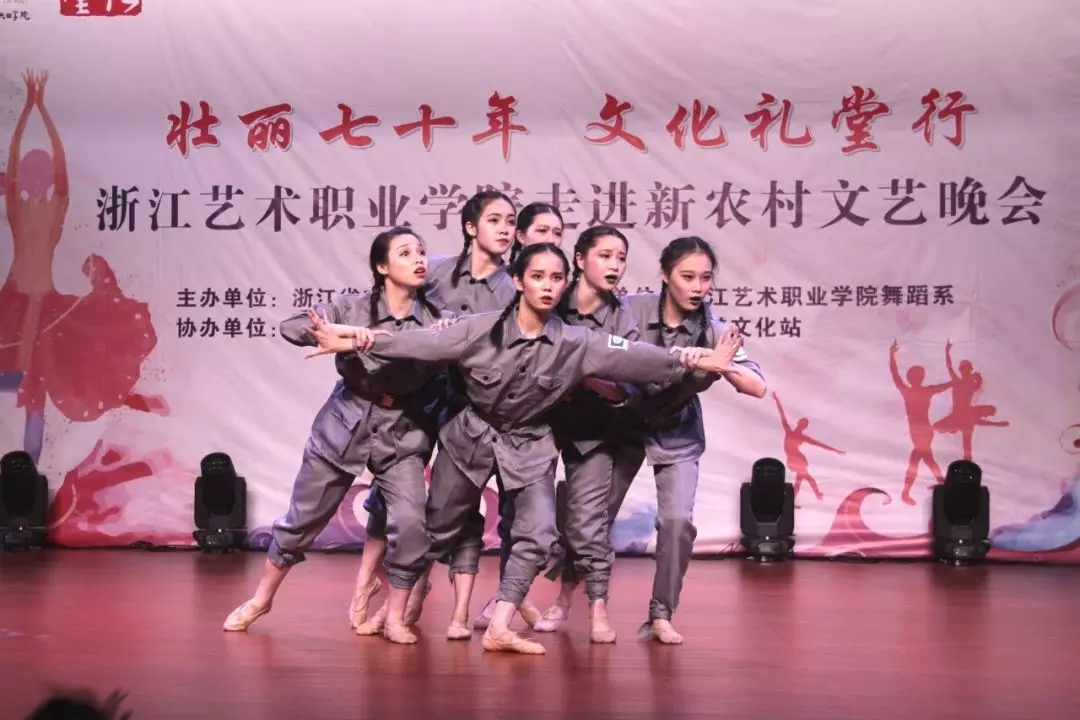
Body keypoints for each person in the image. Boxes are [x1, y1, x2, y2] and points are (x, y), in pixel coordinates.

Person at [307, 242, 744, 654]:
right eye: (537, 277)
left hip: (529, 445)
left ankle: (500, 626)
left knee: (538, 532)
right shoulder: (479, 330)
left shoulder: (578, 342)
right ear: (518, 281)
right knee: (436, 530)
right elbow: (418, 342)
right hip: (470, 439)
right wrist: (356, 339)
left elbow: (637, 355)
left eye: (556, 278)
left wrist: (696, 358)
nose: (548, 286)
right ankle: (394, 609)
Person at [536, 236, 767, 645]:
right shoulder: (630, 311)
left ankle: (661, 614)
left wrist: (722, 364)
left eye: (705, 279)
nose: (697, 287)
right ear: (664, 274)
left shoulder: (713, 329)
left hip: (676, 431)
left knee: (677, 522)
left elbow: (758, 387)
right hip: (622, 425)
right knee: (591, 518)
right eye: (688, 277)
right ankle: (565, 597)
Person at [222, 228, 449, 645]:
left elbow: (445, 347)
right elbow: (292, 327)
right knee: (303, 519)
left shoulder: (434, 318)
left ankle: (395, 617)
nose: (418, 259)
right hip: (345, 423)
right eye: (405, 253)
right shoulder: (353, 306)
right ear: (382, 267)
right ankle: (262, 599)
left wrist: (372, 341)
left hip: (402, 429)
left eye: (421, 251)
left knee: (411, 524)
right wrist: (342, 332)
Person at [353, 190, 521, 636]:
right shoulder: (435, 271)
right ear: (470, 227)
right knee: (390, 493)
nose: (505, 229)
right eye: (495, 220)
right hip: (421, 400)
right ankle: (368, 580)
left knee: (457, 508)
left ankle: (420, 598)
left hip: (470, 408)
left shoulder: (512, 288)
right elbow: (395, 311)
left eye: (511, 221)